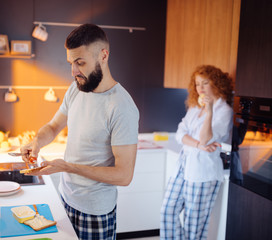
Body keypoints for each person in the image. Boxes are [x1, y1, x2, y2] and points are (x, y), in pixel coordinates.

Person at [20, 23, 139, 240]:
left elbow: (124, 176)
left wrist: (67, 167)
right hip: (66, 198)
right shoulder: (76, 89)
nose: (74, 71)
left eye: (80, 62)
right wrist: (37, 141)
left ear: (103, 55)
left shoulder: (121, 107)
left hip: (95, 211)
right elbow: (54, 126)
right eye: (71, 63)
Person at [160, 65, 234, 240]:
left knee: (194, 225)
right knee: (168, 211)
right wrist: (198, 145)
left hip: (203, 172)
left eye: (204, 83)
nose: (200, 88)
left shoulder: (224, 111)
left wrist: (209, 113)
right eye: (197, 84)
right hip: (184, 165)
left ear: (216, 84)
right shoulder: (194, 107)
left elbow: (206, 139)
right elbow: (180, 134)